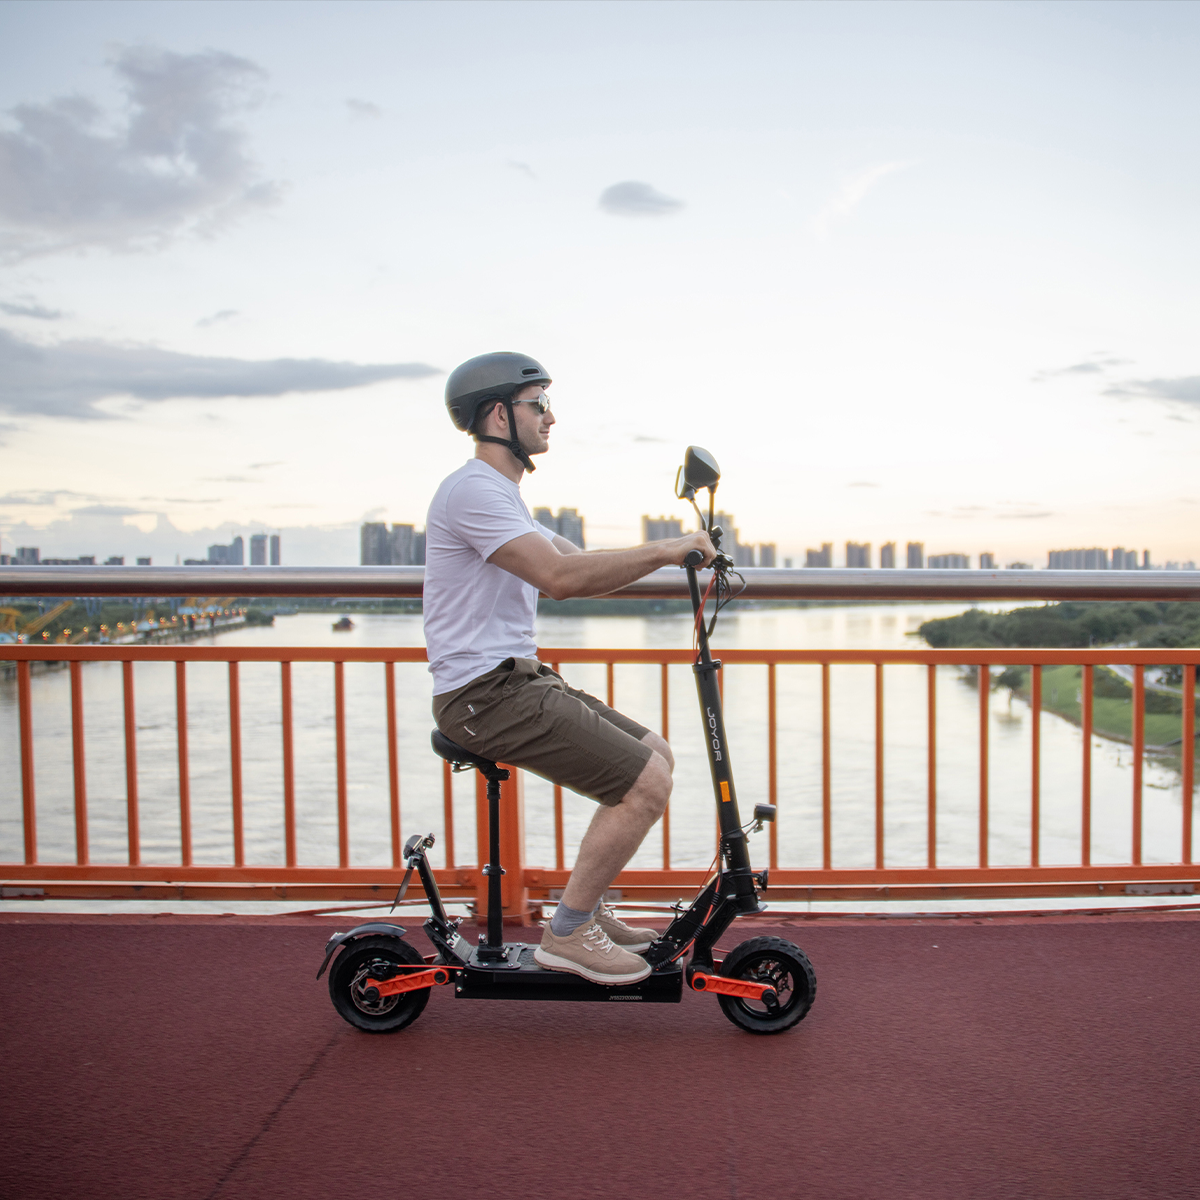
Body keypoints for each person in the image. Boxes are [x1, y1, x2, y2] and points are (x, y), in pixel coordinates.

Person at [424, 351, 715, 985]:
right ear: (498, 413)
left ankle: (582, 910)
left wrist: (672, 560)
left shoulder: (504, 498)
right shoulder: (472, 490)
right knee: (646, 785)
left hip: (513, 679)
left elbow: (579, 565)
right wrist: (670, 545)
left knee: (655, 754)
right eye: (539, 404)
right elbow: (558, 578)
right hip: (483, 693)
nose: (551, 417)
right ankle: (568, 936)